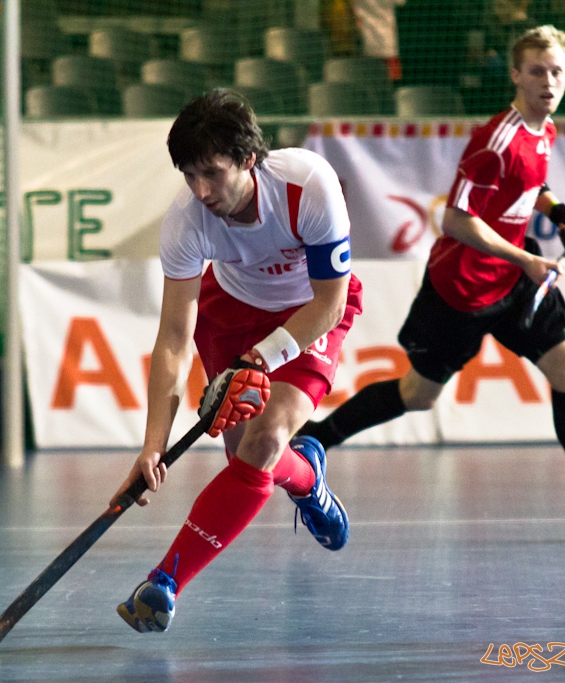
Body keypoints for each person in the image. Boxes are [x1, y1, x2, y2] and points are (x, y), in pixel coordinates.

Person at [298, 25, 565, 532]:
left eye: (558, 72)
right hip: (460, 291)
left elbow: (529, 187)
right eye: (537, 71)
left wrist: (558, 211)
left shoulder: (544, 130)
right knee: (418, 396)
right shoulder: (497, 140)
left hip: (512, 279)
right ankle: (316, 436)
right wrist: (527, 260)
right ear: (515, 74)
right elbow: (455, 220)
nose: (549, 82)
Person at [112, 88, 364, 633]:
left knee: (265, 439)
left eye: (212, 173)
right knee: (248, 459)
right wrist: (153, 443)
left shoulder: (309, 186)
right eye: (188, 176)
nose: (201, 190)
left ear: (249, 160)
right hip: (230, 311)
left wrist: (261, 357)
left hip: (308, 310)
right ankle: (308, 478)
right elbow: (174, 339)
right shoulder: (185, 222)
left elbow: (330, 302)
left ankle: (164, 582)